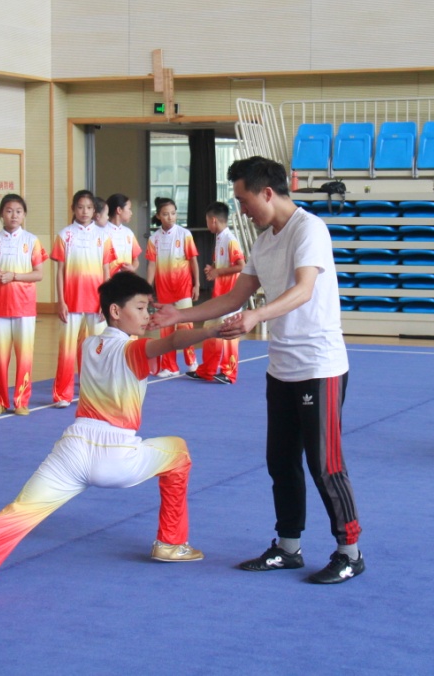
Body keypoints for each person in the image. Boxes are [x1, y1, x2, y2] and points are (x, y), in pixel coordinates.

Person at [0, 273, 217, 604]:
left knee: (16, 513)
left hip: (72, 449)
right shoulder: (134, 350)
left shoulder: (88, 344)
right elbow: (174, 343)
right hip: (117, 455)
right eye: (141, 307)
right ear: (115, 311)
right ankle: (171, 543)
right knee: (179, 452)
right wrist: (212, 331)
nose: (147, 315)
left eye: (148, 308)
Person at [151, 156, 364, 585]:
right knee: (280, 462)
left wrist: (256, 316)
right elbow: (234, 298)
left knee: (324, 464)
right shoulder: (264, 241)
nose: (242, 209)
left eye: (244, 200)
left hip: (319, 366)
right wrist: (180, 315)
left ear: (267, 193)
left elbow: (304, 289)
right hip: (281, 367)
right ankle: (288, 546)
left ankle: (349, 551)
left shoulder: (309, 229)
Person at [0, 194, 47, 417]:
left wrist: (15, 276)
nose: (14, 215)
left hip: (24, 307)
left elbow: (38, 274)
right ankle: (0, 400)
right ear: (1, 214)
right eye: (9, 211)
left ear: (24, 214)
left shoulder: (32, 241)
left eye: (18, 211)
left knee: (24, 356)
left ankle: (21, 400)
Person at [50, 190, 114, 408]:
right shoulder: (64, 235)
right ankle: (62, 394)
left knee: (97, 349)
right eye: (80, 207)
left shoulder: (103, 236)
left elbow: (106, 271)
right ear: (73, 209)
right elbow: (59, 272)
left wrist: (105, 300)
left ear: (94, 210)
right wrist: (61, 301)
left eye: (88, 207)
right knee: (67, 349)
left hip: (96, 302)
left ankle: (97, 392)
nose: (84, 211)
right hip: (71, 302)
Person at [189, 201, 245, 385]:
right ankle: (207, 369)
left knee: (228, 332)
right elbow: (220, 265)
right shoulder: (220, 238)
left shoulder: (230, 239)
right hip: (219, 295)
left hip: (231, 296)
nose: (207, 224)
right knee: (210, 330)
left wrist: (218, 272)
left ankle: (229, 372)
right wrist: (212, 269)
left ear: (213, 220)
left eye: (207, 221)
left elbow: (241, 265)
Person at [146, 197, 200, 378]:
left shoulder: (185, 234)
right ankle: (170, 366)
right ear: (158, 216)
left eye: (173, 213)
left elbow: (193, 260)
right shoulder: (154, 239)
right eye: (165, 214)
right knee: (166, 329)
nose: (170, 217)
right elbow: (151, 265)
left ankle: (191, 362)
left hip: (183, 288)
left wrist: (197, 284)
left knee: (185, 327)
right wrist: (148, 289)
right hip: (164, 290)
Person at [103, 193, 141, 276]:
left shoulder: (129, 233)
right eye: (129, 209)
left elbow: (136, 260)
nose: (131, 213)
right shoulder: (102, 232)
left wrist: (133, 268)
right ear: (119, 210)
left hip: (126, 279)